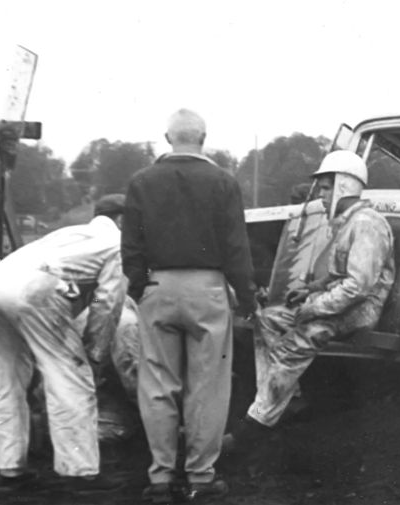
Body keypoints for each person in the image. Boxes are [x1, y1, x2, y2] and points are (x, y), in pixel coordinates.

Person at [122, 109, 256, 503]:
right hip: (208, 288)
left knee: (158, 386)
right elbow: (236, 247)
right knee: (207, 387)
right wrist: (246, 297)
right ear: (203, 138)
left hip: (157, 285)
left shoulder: (141, 182)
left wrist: (138, 288)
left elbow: (130, 245)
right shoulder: (223, 182)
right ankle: (201, 477)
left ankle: (160, 477)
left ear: (167, 138)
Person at [225, 150, 395, 450]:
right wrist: (310, 289)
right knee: (266, 319)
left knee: (296, 343)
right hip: (340, 303)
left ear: (345, 184)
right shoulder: (348, 222)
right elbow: (337, 275)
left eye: (327, 187)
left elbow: (358, 287)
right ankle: (290, 397)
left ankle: (254, 425)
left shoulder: (367, 223)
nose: (322, 195)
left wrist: (313, 307)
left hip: (360, 310)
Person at [0, 194, 128, 491]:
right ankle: (79, 470)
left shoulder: (70, 234)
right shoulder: (118, 244)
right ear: (122, 220)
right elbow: (108, 300)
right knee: (70, 376)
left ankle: (11, 468)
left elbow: (95, 293)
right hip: (32, 289)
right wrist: (94, 348)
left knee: (6, 377)